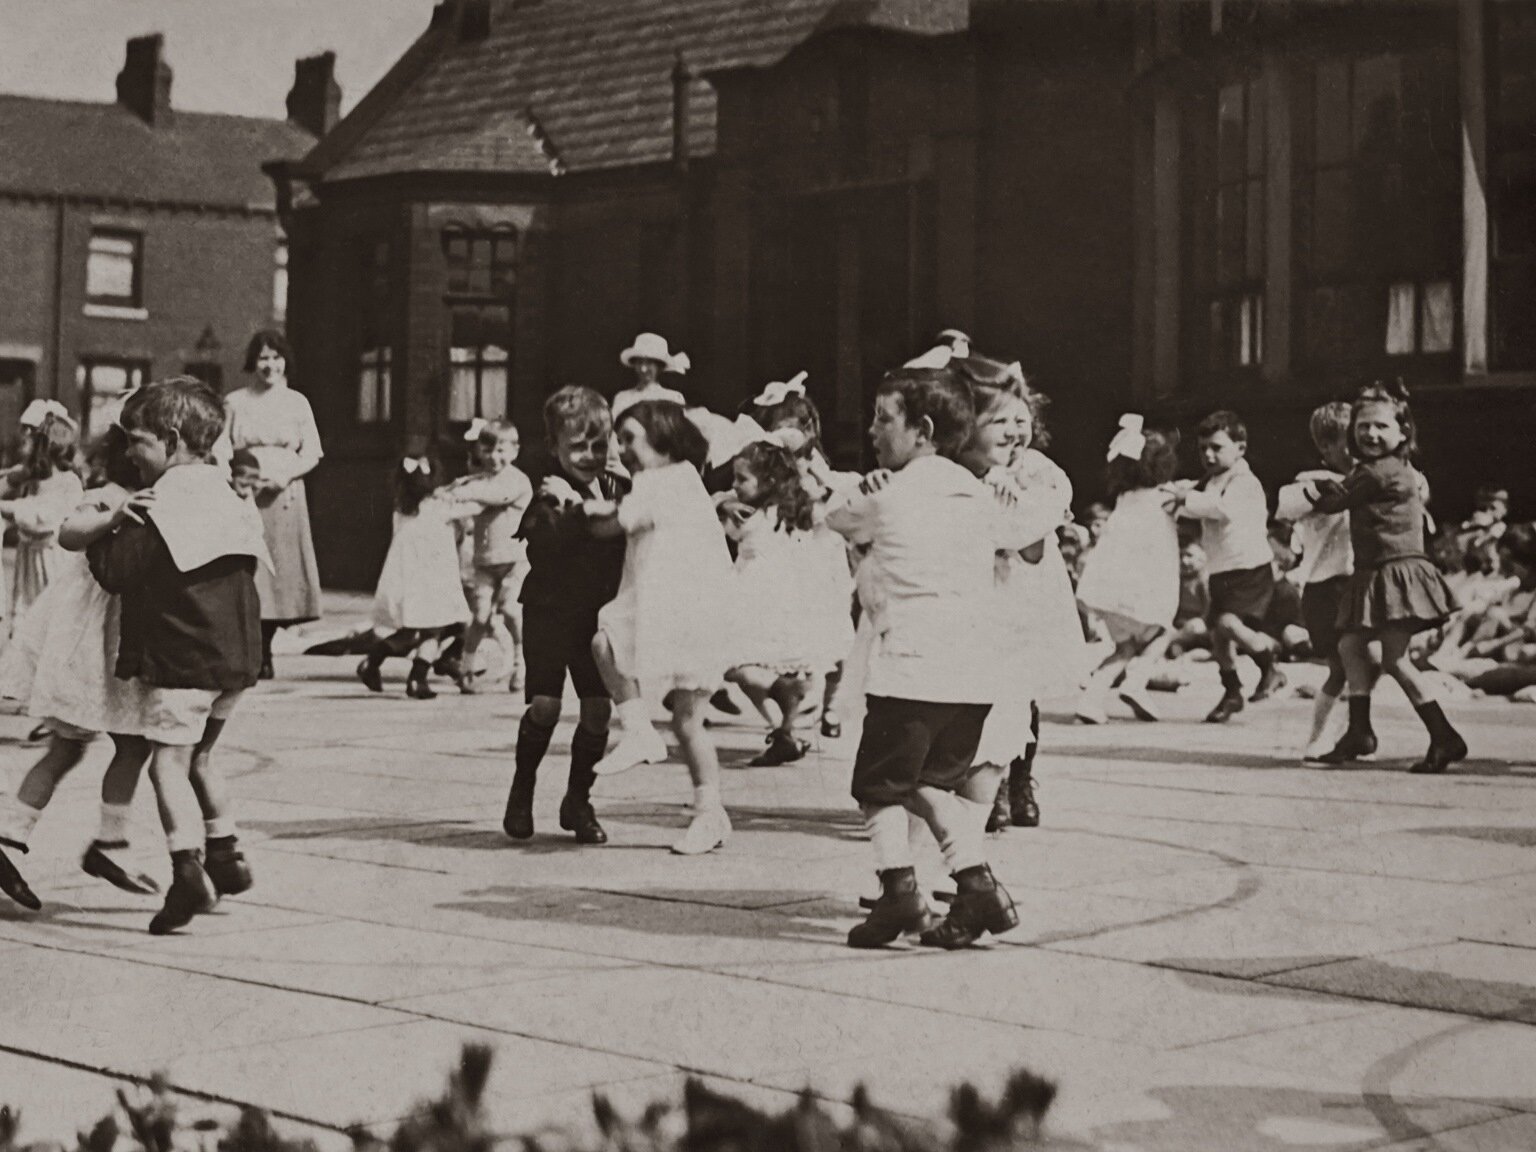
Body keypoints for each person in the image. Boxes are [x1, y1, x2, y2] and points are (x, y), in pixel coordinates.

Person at [827, 364, 1025, 950]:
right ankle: (974, 889)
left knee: (879, 785)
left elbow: (837, 519)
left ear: (923, 429)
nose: (872, 430)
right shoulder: (977, 493)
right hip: (972, 670)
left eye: (884, 419)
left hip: (912, 664)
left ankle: (906, 890)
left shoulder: (891, 496)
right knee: (931, 784)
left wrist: (847, 490)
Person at [86, 377, 268, 934]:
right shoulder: (226, 492)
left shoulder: (158, 502)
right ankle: (226, 851)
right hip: (235, 657)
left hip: (182, 655)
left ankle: (186, 868)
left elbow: (118, 573)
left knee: (167, 761)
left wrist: (103, 528)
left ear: (169, 439)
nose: (129, 455)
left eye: (135, 441)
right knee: (201, 758)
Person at [0, 424, 160, 910]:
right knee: (71, 747)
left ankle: (107, 844)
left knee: (133, 743)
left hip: (124, 638)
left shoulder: (163, 494)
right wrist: (113, 514)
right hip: (90, 639)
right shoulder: (107, 494)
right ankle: (9, 836)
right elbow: (69, 532)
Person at [586, 401, 737, 856]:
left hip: (678, 608)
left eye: (629, 438)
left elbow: (609, 528)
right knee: (688, 719)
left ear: (662, 436)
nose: (621, 448)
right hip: (696, 606)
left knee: (603, 640)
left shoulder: (656, 482)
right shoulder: (684, 477)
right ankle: (710, 812)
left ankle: (637, 729)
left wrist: (579, 506)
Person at [1305, 380, 1466, 773]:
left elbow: (1335, 500)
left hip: (1394, 575)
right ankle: (1359, 731)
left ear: (1403, 432)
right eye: (1363, 426)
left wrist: (1307, 493)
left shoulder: (1376, 473)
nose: (1371, 434)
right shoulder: (1396, 469)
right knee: (1350, 646)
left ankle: (1444, 737)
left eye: (1381, 426)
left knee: (1396, 660)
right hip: (1382, 572)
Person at [503, 387, 629, 845]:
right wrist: (578, 511)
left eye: (600, 444)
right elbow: (552, 541)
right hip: (551, 611)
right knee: (546, 706)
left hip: (596, 614)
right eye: (578, 446)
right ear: (554, 447)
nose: (590, 456)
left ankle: (578, 799)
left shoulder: (619, 486)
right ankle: (523, 787)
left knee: (598, 711)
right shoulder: (549, 494)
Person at [752, 377, 859, 738]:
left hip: (824, 553)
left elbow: (830, 496)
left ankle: (830, 707)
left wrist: (809, 474)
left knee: (837, 635)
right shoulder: (772, 465)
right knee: (798, 635)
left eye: (791, 431)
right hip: (794, 555)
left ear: (808, 429)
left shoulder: (817, 466)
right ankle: (791, 716)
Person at [1170, 410, 1284, 722]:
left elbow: (1221, 509)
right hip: (1221, 570)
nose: (1208, 454)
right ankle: (1232, 691)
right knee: (1219, 638)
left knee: (1228, 625)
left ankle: (1269, 665)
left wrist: (1184, 499)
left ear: (1240, 449)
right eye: (1203, 448)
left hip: (1249, 568)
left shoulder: (1244, 482)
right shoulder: (1211, 480)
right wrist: (1172, 494)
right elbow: (1192, 494)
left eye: (1217, 447)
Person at [224, 329, 324, 679]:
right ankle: (253, 650)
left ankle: (266, 649)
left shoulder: (297, 403)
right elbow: (222, 449)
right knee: (250, 572)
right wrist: (239, 481)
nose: (270, 365)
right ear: (254, 361)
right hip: (246, 495)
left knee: (279, 577)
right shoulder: (235, 402)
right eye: (263, 358)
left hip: (285, 495)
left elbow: (312, 451)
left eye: (276, 358)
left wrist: (285, 476)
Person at [718, 440, 821, 766]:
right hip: (787, 603)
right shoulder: (794, 509)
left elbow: (720, 519)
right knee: (751, 670)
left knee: (730, 664)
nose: (734, 486)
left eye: (742, 479)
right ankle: (783, 733)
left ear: (769, 482)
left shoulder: (748, 515)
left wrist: (721, 503)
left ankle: (781, 695)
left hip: (754, 602)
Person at [1073, 417, 1182, 725]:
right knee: (1163, 631)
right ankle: (1136, 682)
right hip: (1139, 593)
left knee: (1124, 647)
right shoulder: (1165, 498)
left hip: (1109, 591)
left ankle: (1091, 699)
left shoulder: (1124, 499)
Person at [1276, 402, 1362, 761]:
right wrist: (1319, 491)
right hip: (1326, 587)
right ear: (1326, 447)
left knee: (1364, 665)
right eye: (1351, 439)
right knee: (1341, 667)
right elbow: (1285, 505)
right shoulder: (1308, 482)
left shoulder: (1374, 478)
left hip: (1361, 583)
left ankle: (1349, 733)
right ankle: (1318, 736)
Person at [356, 457, 472, 700]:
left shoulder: (401, 510)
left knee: (411, 632)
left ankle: (373, 662)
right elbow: (475, 508)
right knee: (435, 632)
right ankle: (417, 679)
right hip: (434, 581)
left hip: (407, 581)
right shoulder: (443, 507)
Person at [442, 419, 533, 693]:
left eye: (502, 451)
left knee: (510, 610)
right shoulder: (479, 480)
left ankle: (522, 665)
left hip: (515, 560)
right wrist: (449, 496)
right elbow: (462, 495)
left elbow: (496, 496)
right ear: (480, 451)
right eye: (489, 451)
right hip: (485, 563)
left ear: (515, 451)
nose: (495, 458)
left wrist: (458, 493)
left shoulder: (516, 481)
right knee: (480, 617)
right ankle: (466, 667)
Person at [0, 399, 85, 637]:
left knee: (51, 622)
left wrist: (7, 507)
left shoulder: (68, 481)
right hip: (29, 561)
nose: (23, 442)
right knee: (25, 623)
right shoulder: (31, 479)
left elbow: (41, 519)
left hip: (52, 561)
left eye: (30, 437)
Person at [613, 333, 689, 418]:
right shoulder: (622, 398)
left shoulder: (673, 397)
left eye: (649, 363)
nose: (643, 369)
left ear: (659, 366)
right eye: (639, 362)